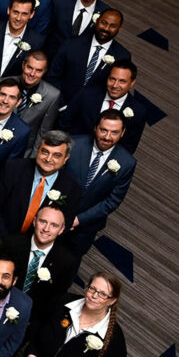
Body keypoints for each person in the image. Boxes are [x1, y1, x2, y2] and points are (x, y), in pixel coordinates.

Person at [63, 110, 136, 260]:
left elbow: (112, 201)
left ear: (122, 133)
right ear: (95, 128)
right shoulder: (74, 144)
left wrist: (78, 220)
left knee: (68, 265)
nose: (107, 137)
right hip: (55, 215)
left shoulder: (127, 162)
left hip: (85, 227)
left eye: (114, 132)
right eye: (104, 130)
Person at [0, 131, 82, 236]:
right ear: (38, 150)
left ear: (65, 159)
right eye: (45, 152)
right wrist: (6, 241)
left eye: (56, 155)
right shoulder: (13, 169)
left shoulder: (72, 188)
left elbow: (63, 225)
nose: (48, 159)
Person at [58, 59, 150, 155]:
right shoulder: (86, 94)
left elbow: (128, 147)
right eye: (112, 79)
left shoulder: (138, 111)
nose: (115, 85)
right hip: (72, 151)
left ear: (132, 83)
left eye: (122, 81)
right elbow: (64, 124)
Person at [47, 9, 130, 103]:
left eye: (113, 26)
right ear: (97, 21)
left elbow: (117, 89)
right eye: (103, 23)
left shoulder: (123, 56)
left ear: (120, 29)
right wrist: (60, 103)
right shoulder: (71, 44)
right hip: (58, 103)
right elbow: (53, 76)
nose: (106, 29)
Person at [0, 0, 44, 80]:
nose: (18, 18)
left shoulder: (37, 42)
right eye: (16, 12)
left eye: (24, 14)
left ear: (31, 15)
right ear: (8, 10)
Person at [10, 51, 62, 153]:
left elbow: (43, 133)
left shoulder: (52, 95)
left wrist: (31, 160)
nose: (32, 74)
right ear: (23, 65)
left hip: (23, 151)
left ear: (45, 71)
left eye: (38, 70)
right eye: (29, 68)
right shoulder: (1, 83)